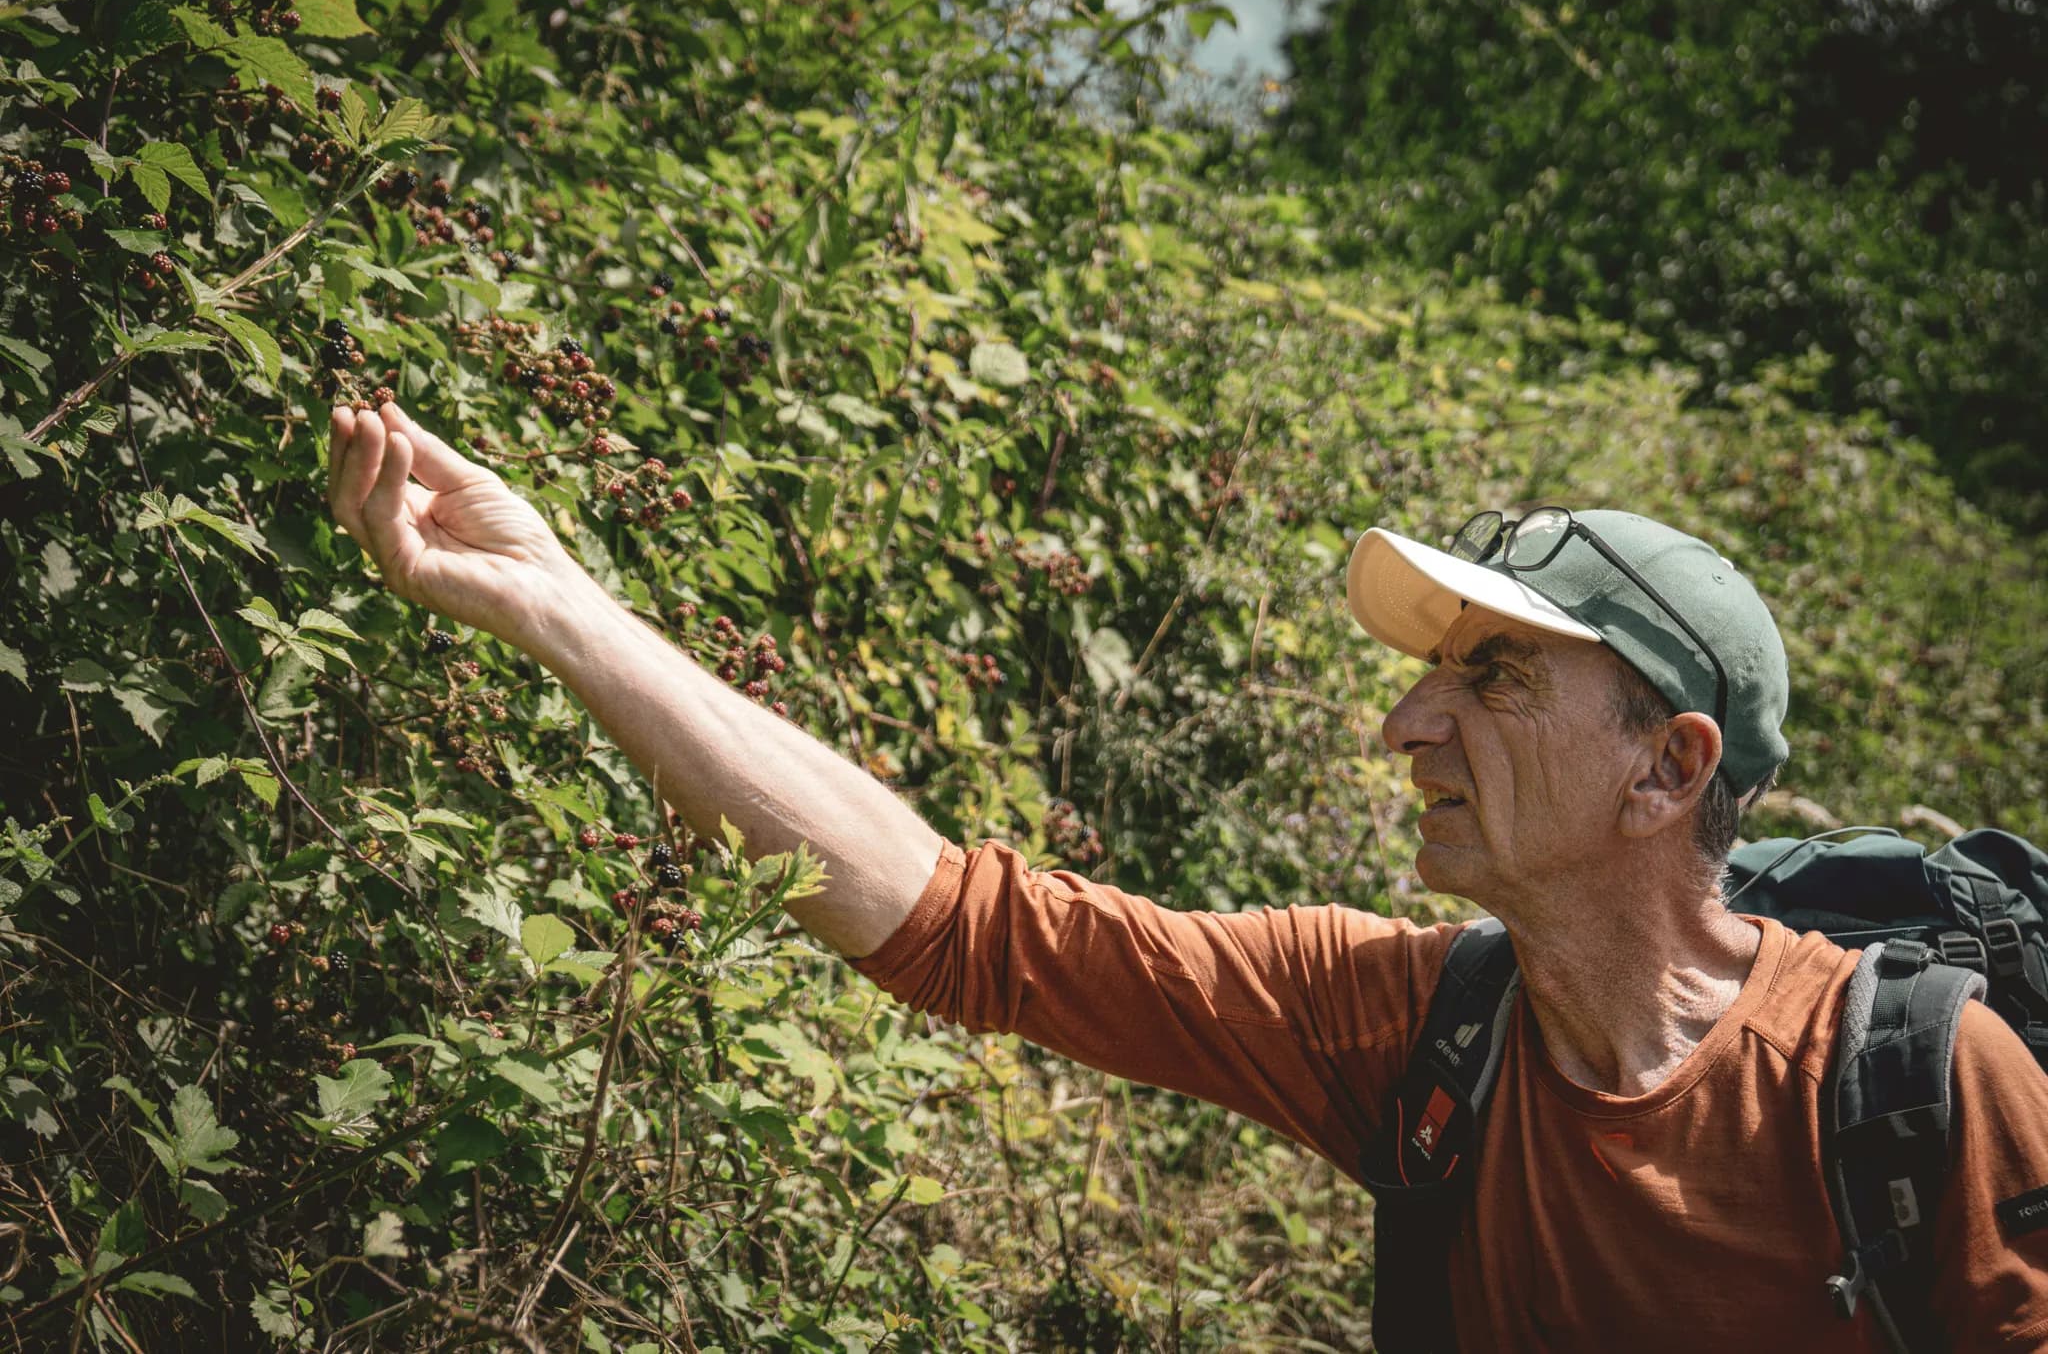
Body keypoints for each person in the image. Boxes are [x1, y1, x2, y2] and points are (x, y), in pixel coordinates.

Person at [326, 402, 2048, 1350]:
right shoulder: (1409, 1022)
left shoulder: (1913, 1091)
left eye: (1493, 678)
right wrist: (555, 599)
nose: (1405, 721)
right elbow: (956, 923)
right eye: (1433, 671)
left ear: (1668, 770)